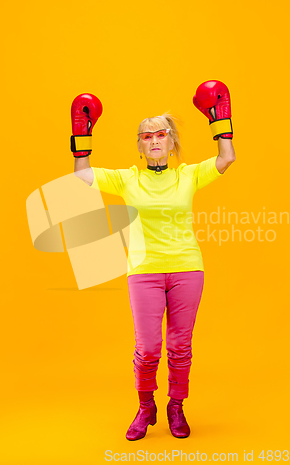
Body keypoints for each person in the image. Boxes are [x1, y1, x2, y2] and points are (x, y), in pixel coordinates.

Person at [71, 81, 236, 440]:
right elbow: (82, 175)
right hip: (143, 272)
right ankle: (146, 407)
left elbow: (227, 159)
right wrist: (80, 133)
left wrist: (219, 119)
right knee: (147, 349)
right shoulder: (128, 179)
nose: (155, 140)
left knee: (180, 346)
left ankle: (176, 407)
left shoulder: (187, 174)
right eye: (147, 137)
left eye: (161, 134)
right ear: (140, 146)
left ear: (172, 142)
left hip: (187, 268)